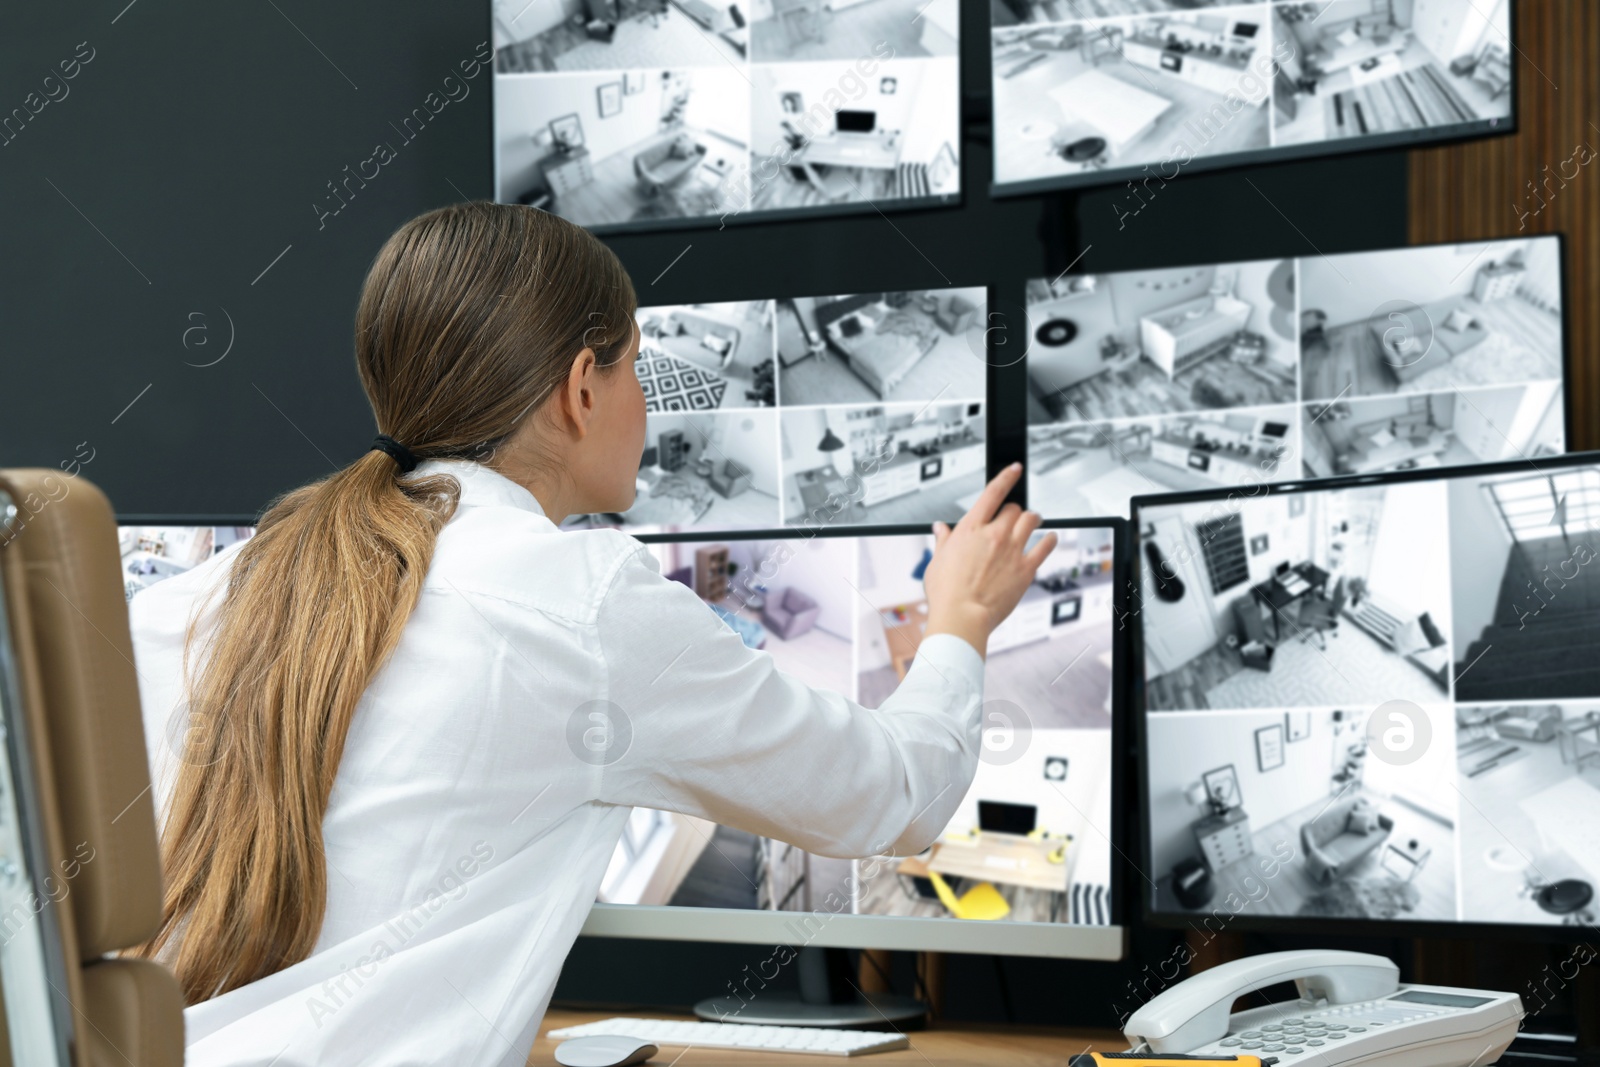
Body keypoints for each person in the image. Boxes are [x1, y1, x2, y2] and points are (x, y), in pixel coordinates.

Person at [128, 202, 1056, 1066]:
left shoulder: (200, 597)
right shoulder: (584, 603)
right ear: (582, 388)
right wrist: (960, 623)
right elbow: (890, 795)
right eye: (636, 367)